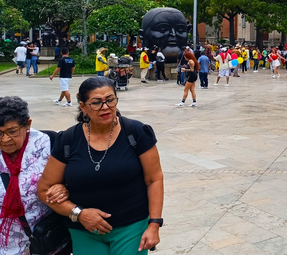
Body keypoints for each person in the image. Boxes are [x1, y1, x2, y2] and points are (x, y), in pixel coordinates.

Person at [39, 77, 165, 254]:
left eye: (110, 100)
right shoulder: (68, 140)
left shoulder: (136, 132)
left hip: (131, 227)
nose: (105, 107)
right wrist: (79, 214)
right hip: (84, 231)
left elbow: (154, 179)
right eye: (96, 102)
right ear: (83, 106)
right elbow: (44, 190)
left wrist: (154, 224)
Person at [0, 96, 70, 255]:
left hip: (46, 242)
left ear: (28, 125)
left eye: (12, 131)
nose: (5, 139)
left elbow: (77, 176)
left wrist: (64, 186)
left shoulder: (49, 143)